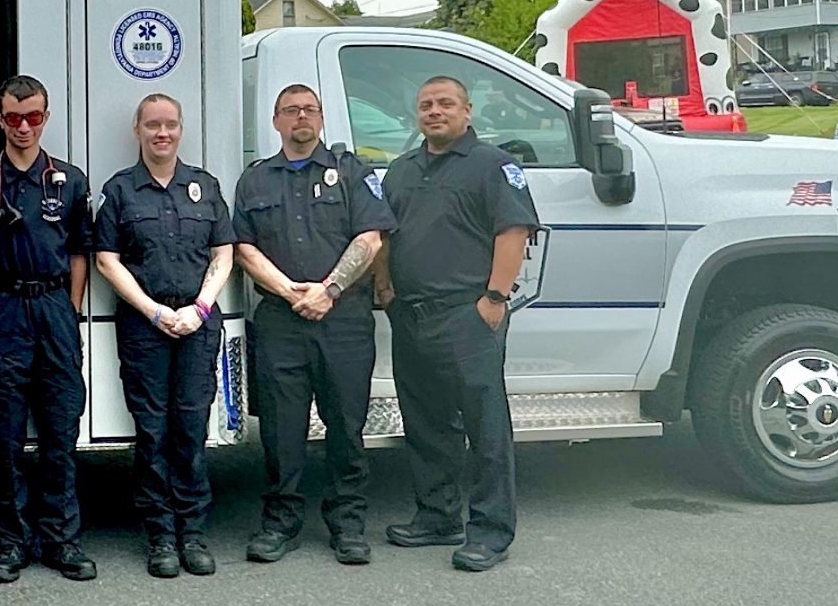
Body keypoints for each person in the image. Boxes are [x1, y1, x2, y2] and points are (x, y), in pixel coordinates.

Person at [377, 75, 539, 572]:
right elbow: (382, 236)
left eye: (445, 103)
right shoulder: (400, 171)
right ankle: (437, 515)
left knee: (485, 428)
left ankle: (490, 531)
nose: (434, 111)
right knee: (426, 426)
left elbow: (513, 231)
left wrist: (494, 298)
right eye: (425, 105)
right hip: (413, 315)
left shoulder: (493, 166)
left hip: (468, 315)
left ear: (467, 111)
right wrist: (385, 290)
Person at [231, 83, 393, 565]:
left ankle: (347, 524)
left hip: (343, 319)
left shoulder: (352, 172)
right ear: (276, 121)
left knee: (346, 424)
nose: (301, 117)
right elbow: (244, 247)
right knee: (282, 429)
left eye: (309, 110)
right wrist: (290, 292)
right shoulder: (255, 181)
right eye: (290, 111)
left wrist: (330, 291)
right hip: (281, 320)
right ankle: (280, 523)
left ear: (320, 119)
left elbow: (371, 238)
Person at [0, 75, 95, 584]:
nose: (23, 127)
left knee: (61, 433)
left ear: (46, 117)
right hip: (2, 311)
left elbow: (81, 252)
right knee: (6, 438)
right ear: (0, 120)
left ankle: (62, 541)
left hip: (54, 308)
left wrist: (70, 311)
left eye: (33, 117)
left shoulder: (69, 180)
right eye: (13, 118)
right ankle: (10, 543)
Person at [93, 93, 235, 579]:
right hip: (143, 328)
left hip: (197, 326)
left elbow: (224, 254)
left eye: (170, 124)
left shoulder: (204, 185)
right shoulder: (119, 191)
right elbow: (106, 260)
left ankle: (193, 534)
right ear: (137, 131)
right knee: (152, 434)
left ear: (181, 130)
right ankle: (160, 536)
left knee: (190, 430)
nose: (162, 133)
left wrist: (199, 308)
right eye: (152, 124)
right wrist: (155, 312)